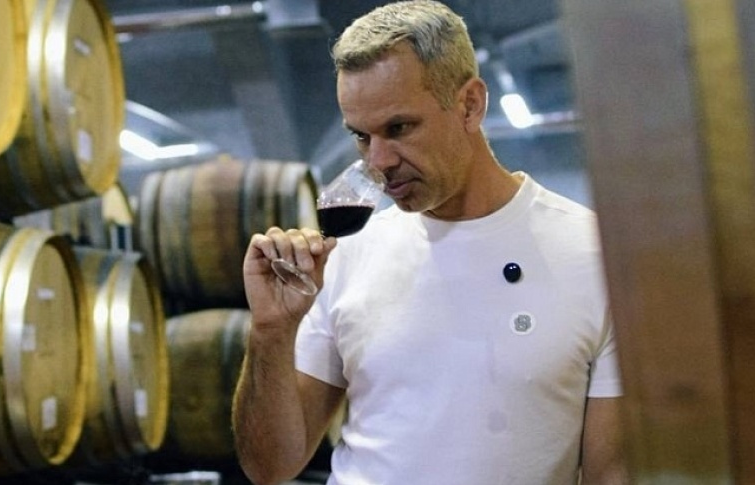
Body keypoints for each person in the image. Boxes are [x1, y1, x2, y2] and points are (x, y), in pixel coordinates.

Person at [232, 1, 626, 484]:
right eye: (361, 136)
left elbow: (610, 474)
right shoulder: (346, 254)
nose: (378, 161)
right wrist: (270, 331)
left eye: (399, 128)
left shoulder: (593, 255)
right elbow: (269, 467)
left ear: (470, 105)